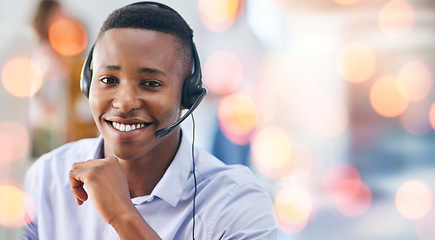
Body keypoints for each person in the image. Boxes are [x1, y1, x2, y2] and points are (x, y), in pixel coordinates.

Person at [23, 2, 277, 239]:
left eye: (151, 83)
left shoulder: (237, 203)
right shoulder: (47, 177)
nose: (124, 103)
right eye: (108, 80)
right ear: (87, 85)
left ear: (187, 95)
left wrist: (123, 216)